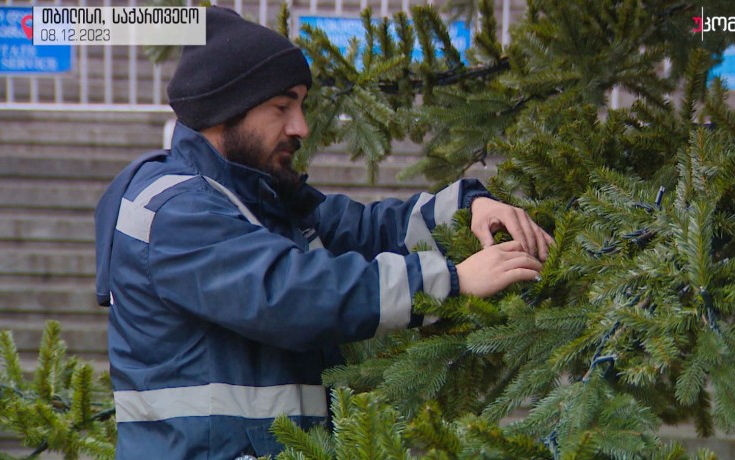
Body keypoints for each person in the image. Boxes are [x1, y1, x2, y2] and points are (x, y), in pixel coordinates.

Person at [94, 7, 552, 459]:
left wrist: (468, 208)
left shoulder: (258, 197)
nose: (301, 127)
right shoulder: (175, 211)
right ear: (223, 112)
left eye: (302, 105)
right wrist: (450, 282)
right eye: (281, 107)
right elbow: (290, 294)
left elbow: (366, 228)